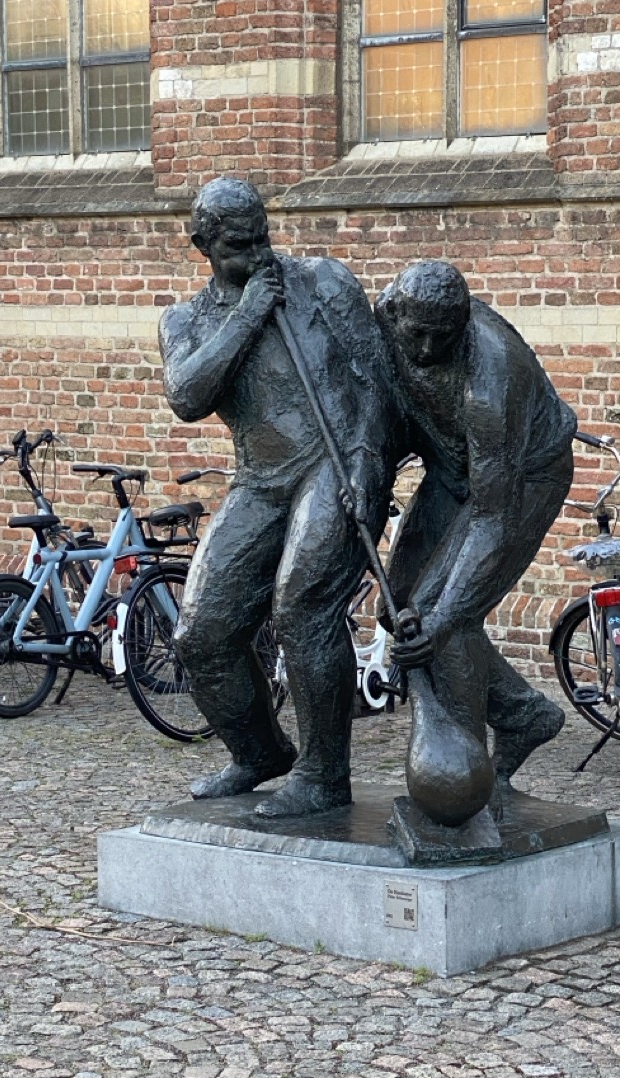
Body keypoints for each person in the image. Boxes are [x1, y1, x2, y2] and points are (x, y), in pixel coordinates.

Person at [161, 177, 396, 817]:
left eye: (263, 237)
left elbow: (378, 382)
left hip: (336, 463)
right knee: (202, 633)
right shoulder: (186, 320)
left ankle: (324, 775)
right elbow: (187, 396)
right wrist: (248, 315)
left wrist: (367, 464)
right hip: (259, 482)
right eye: (239, 246)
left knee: (301, 607)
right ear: (202, 245)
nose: (259, 254)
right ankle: (261, 752)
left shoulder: (321, 283)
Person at [375, 260, 576, 794]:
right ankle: (522, 713)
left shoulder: (491, 383)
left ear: (462, 326)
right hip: (452, 465)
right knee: (396, 606)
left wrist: (441, 622)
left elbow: (491, 516)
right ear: (395, 311)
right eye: (414, 334)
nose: (422, 349)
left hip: (524, 478)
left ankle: (464, 780)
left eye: (441, 339)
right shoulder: (385, 317)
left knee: (443, 617)